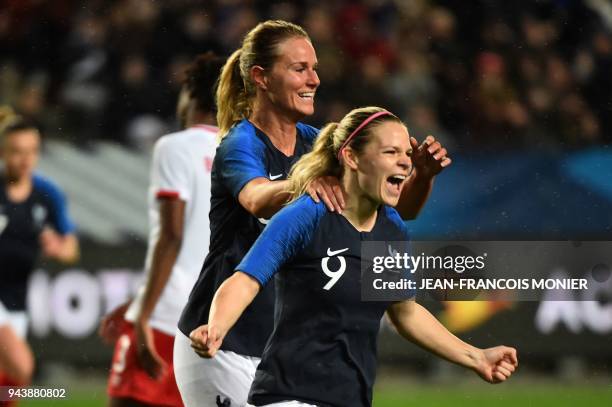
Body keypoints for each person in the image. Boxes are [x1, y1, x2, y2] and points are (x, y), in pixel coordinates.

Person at [175, 20, 451, 407]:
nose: (315, 79)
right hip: (223, 343)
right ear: (261, 77)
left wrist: (422, 176)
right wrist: (304, 182)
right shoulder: (240, 144)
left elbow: (397, 209)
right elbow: (255, 199)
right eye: (299, 68)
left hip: (278, 352)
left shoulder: (315, 144)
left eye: (315, 68)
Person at [190, 106, 518, 406]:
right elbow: (246, 280)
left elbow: (405, 313)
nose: (406, 161)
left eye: (407, 153)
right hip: (290, 396)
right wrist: (216, 327)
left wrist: (477, 357)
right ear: (352, 157)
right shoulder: (307, 215)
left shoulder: (391, 228)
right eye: (391, 152)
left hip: (350, 398)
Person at [104, 53, 225, 407]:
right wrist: (136, 299)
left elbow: (172, 237)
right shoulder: (241, 154)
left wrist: (142, 314)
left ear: (189, 95)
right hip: (210, 323)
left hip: (165, 314)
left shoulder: (174, 146)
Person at [0, 107, 79, 404]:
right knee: (23, 367)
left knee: (10, 383)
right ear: (3, 152)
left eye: (32, 151)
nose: (25, 159)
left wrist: (58, 248)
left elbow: (71, 249)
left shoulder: (47, 194)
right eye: (17, 151)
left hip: (16, 300)